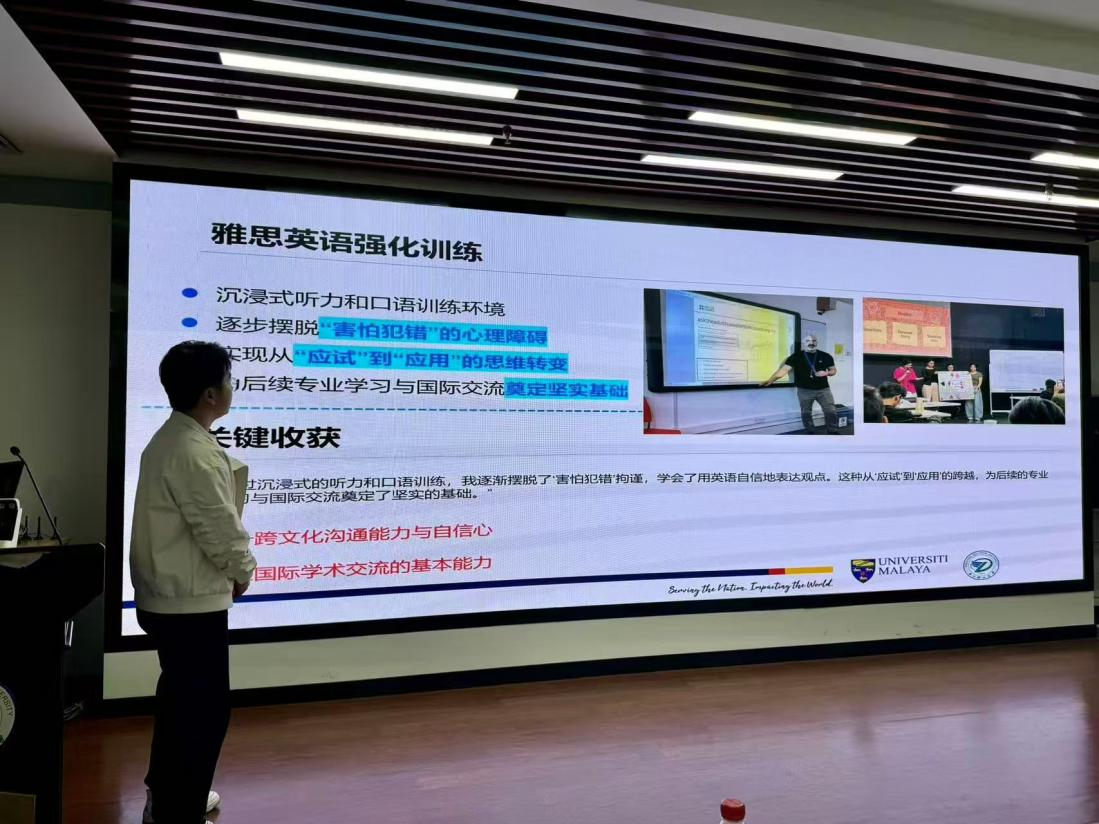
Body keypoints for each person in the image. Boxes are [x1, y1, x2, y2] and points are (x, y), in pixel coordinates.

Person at [131, 342, 256, 824]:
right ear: (209, 393)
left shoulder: (174, 439)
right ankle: (178, 808)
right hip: (189, 604)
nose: (232, 388)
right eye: (228, 379)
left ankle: (170, 797)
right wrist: (243, 571)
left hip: (173, 599)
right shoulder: (191, 451)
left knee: (180, 704)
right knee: (202, 713)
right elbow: (219, 529)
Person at [761, 334, 840, 434]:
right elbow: (783, 371)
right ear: (803, 343)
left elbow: (833, 370)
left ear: (817, 342)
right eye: (808, 341)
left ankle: (833, 431)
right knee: (806, 413)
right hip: (804, 390)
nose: (811, 343)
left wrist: (826, 373)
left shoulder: (825, 356)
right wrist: (770, 380)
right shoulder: (796, 356)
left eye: (814, 341)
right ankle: (810, 431)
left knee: (831, 411)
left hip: (823, 390)